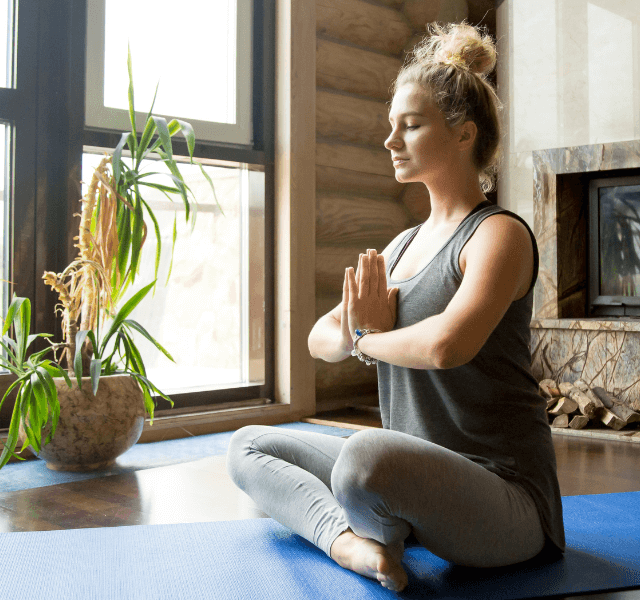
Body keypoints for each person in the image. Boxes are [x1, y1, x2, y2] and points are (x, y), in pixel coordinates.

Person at [227, 22, 564, 593]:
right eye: (391, 126)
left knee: (364, 459)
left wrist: (363, 341)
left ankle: (375, 525)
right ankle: (351, 544)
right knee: (248, 445)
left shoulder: (497, 235)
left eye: (410, 125)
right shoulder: (401, 246)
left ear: (464, 134)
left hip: (506, 501)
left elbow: (445, 345)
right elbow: (320, 338)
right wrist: (355, 333)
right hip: (415, 476)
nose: (391, 141)